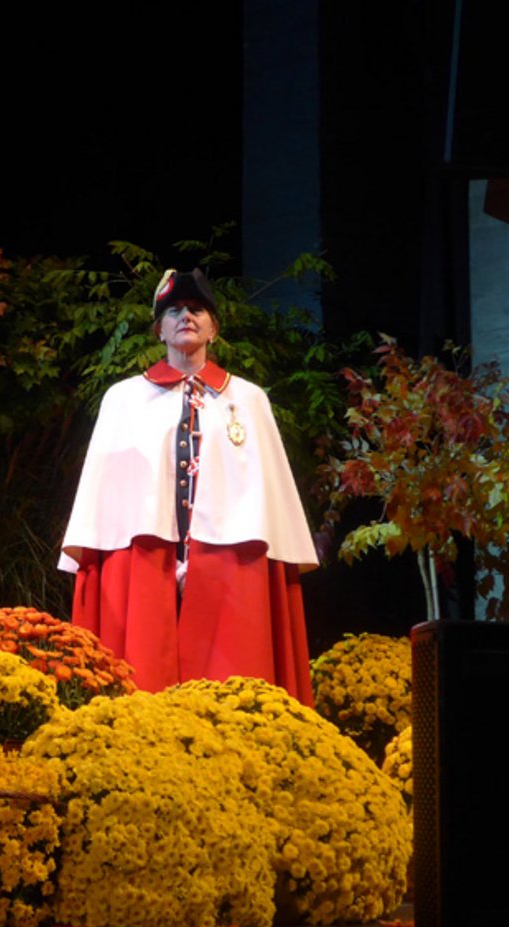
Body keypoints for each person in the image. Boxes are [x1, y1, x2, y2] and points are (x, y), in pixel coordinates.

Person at [59, 268, 318, 702]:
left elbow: (267, 497)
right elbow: (103, 499)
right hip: (142, 552)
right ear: (158, 328)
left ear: (214, 328)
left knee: (232, 686)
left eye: (198, 310)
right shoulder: (123, 399)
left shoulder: (249, 400)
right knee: (140, 682)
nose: (186, 317)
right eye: (174, 310)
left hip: (231, 556)